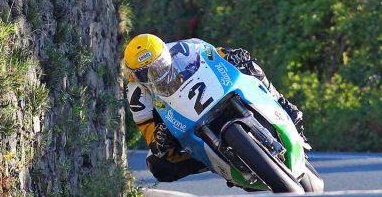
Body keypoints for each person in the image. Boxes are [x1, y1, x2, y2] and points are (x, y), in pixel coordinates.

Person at [122, 33, 308, 184]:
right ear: (133, 75)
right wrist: (160, 139)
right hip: (178, 121)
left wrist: (230, 55)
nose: (155, 72)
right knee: (157, 166)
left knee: (247, 64)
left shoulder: (184, 48)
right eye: (144, 72)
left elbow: (212, 53)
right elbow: (149, 134)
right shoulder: (136, 93)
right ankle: (211, 161)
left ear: (165, 53)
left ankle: (282, 102)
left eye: (158, 64)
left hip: (213, 91)